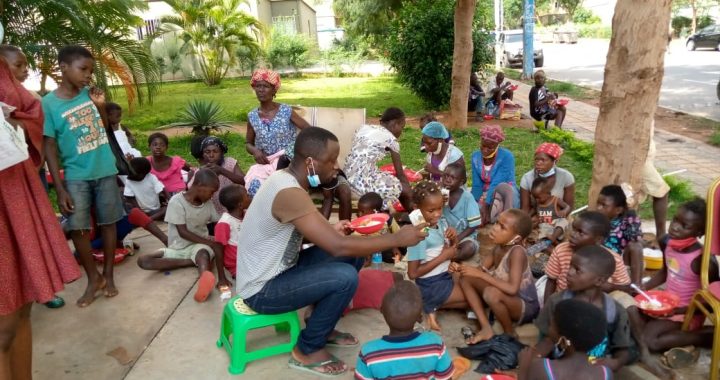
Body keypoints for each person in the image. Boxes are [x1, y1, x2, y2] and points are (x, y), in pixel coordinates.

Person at [234, 127, 426, 377]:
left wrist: (330, 228)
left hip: (279, 269)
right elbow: (337, 246)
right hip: (261, 289)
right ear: (311, 163)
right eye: (331, 160)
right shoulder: (289, 192)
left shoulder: (286, 179)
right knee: (344, 276)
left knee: (353, 256)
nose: (336, 166)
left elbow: (294, 229)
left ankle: (320, 324)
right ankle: (307, 349)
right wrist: (396, 238)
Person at [0, 41, 81, 379]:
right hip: (10, 195)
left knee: (19, 316)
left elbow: (29, 115)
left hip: (15, 190)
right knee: (4, 328)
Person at [43, 45, 124, 307]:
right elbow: (49, 146)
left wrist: (99, 106)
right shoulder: (49, 104)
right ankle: (93, 278)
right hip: (76, 175)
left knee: (109, 223)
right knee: (78, 227)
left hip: (104, 169)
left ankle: (109, 275)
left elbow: (103, 127)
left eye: (91, 70)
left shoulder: (91, 95)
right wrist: (61, 186)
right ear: (63, 68)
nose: (89, 75)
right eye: (83, 69)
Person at [632, 199, 715, 368]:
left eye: (685, 226)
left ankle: (706, 336)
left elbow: (711, 301)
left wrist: (675, 311)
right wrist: (644, 288)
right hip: (665, 306)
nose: (675, 227)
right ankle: (679, 340)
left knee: (649, 342)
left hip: (688, 313)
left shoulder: (703, 260)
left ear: (699, 232)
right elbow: (665, 271)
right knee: (631, 316)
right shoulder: (666, 242)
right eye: (676, 220)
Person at [535, 246, 636, 372]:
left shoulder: (615, 311)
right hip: (558, 368)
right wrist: (535, 361)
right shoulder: (556, 301)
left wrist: (615, 363)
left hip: (594, 370)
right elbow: (545, 340)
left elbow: (622, 350)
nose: (569, 272)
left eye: (577, 270)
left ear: (599, 281)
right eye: (570, 266)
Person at [137, 169, 229, 302]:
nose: (212, 196)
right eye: (211, 191)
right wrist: (210, 242)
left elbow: (218, 222)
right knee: (143, 261)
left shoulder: (208, 204)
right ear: (199, 185)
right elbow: (183, 232)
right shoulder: (177, 201)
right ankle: (188, 262)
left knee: (203, 255)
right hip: (177, 248)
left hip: (199, 246)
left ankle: (204, 280)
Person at [453, 209, 539, 343]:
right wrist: (460, 269)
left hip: (523, 306)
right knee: (466, 277)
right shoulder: (498, 248)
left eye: (502, 227)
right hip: (505, 298)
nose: (494, 228)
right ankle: (486, 327)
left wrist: (481, 275)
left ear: (516, 238)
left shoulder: (517, 252)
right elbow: (478, 271)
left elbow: (512, 289)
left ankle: (509, 333)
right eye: (497, 223)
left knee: (491, 293)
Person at [354, 281, 455, 380]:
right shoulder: (435, 344)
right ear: (420, 317)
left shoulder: (369, 353)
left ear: (382, 311)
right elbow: (446, 378)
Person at [406, 180, 468, 332]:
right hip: (431, 285)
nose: (437, 214)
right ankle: (429, 304)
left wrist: (454, 237)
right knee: (475, 298)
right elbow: (413, 273)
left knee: (473, 286)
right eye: (431, 210)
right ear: (417, 209)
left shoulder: (440, 223)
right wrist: (443, 257)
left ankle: (430, 306)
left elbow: (452, 249)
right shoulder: (418, 234)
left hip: (446, 276)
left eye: (440, 208)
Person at [543, 211, 631, 303]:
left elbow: (626, 288)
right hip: (563, 300)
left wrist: (611, 287)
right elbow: (551, 281)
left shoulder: (612, 259)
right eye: (573, 229)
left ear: (598, 240)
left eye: (580, 232)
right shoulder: (561, 250)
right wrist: (546, 307)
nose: (573, 234)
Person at [518, 299, 613, 380]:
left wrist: (523, 368)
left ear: (563, 342)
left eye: (552, 325)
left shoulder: (542, 368)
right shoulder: (605, 374)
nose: (549, 329)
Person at [344, 107, 414, 211]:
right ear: (395, 124)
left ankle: (385, 217)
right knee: (403, 189)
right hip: (361, 183)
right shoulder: (391, 139)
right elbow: (400, 174)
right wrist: (409, 191)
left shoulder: (364, 128)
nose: (401, 132)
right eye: (402, 127)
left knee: (388, 180)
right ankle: (417, 221)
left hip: (346, 177)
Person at [245, 68, 310, 169]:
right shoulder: (252, 116)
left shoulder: (286, 111)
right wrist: (255, 151)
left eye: (265, 86)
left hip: (289, 164)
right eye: (258, 86)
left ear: (274, 89)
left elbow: (308, 129)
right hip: (265, 164)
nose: (261, 90)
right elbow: (248, 143)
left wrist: (296, 148)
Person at [596, 185, 644, 286]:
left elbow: (636, 238)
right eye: (598, 204)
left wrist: (631, 214)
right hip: (599, 262)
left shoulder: (624, 223)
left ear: (618, 210)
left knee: (636, 246)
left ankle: (636, 287)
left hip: (620, 265)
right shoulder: (595, 221)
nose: (598, 208)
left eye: (604, 205)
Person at [471, 125, 519, 226]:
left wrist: (486, 206)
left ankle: (504, 220)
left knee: (497, 215)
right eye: (483, 146)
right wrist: (474, 205)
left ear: (497, 146)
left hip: (505, 192)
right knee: (473, 212)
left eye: (490, 147)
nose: (485, 150)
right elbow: (476, 184)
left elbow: (497, 183)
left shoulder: (507, 157)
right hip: (485, 193)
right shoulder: (475, 157)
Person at [193, 136, 245, 215]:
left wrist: (221, 170)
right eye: (207, 152)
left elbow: (244, 181)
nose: (211, 155)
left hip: (233, 210)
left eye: (215, 151)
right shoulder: (201, 171)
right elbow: (193, 192)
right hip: (212, 214)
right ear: (203, 154)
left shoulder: (229, 162)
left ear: (222, 153)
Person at [520, 142, 575, 215]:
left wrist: (556, 218)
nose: (538, 163)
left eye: (543, 160)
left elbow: (569, 207)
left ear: (555, 161)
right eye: (536, 159)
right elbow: (525, 209)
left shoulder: (566, 177)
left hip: (559, 216)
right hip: (537, 216)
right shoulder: (527, 178)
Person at [442, 162, 481, 261]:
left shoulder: (467, 198)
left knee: (469, 247)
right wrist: (438, 201)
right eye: (445, 176)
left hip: (464, 236)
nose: (447, 180)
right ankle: (444, 256)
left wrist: (458, 239)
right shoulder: (440, 195)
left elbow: (474, 225)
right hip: (444, 235)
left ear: (461, 182)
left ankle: (448, 259)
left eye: (452, 177)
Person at [215, 185, 250, 279]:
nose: (250, 196)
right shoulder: (225, 223)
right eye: (247, 195)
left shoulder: (247, 214)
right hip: (236, 264)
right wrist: (222, 277)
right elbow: (218, 249)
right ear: (240, 205)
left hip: (248, 258)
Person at [356, 191, 402, 263]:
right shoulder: (360, 222)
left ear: (375, 212)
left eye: (362, 211)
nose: (359, 214)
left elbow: (395, 235)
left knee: (391, 255)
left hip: (385, 245)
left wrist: (395, 248)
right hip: (368, 247)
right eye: (359, 211)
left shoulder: (386, 220)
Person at [530, 176, 571, 247]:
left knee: (563, 222)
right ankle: (552, 248)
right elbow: (533, 211)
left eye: (539, 197)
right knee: (540, 239)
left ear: (548, 194)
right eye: (535, 197)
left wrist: (564, 211)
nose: (537, 200)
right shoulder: (538, 204)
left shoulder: (555, 200)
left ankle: (554, 237)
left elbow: (567, 207)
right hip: (545, 226)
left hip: (556, 224)